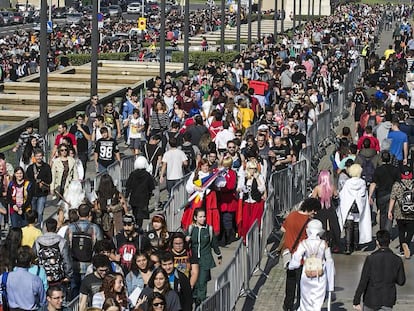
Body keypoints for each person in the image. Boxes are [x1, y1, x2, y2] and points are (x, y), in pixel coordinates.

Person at [281, 198, 321, 311]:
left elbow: (283, 229)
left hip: (290, 255)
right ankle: (299, 305)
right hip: (302, 258)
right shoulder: (309, 223)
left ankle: (287, 305)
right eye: (315, 210)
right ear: (311, 209)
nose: (316, 213)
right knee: (302, 284)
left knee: (290, 282)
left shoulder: (291, 215)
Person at [353, 230, 406, 311]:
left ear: (377, 242)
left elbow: (363, 280)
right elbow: (401, 281)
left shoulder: (371, 258)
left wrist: (356, 300)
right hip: (387, 299)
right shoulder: (397, 259)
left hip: (371, 298)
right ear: (389, 241)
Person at [288, 219, 335, 311]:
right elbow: (329, 261)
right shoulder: (323, 244)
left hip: (306, 274)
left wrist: (291, 266)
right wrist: (331, 278)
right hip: (320, 276)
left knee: (306, 298)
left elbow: (296, 259)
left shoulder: (303, 244)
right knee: (318, 300)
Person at [65, 204, 103, 299]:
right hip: (89, 266)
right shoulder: (94, 228)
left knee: (74, 292)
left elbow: (66, 247)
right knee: (87, 293)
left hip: (74, 265)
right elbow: (100, 247)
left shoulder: (70, 227)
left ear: (78, 213)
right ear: (89, 213)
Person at [186, 208, 222, 306]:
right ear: (195, 218)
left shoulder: (209, 229)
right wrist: (186, 240)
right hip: (193, 260)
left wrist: (218, 255)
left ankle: (200, 303)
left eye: (204, 216)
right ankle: (194, 300)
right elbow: (183, 245)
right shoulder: (191, 229)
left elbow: (214, 243)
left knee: (202, 282)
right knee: (195, 283)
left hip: (205, 259)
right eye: (200, 217)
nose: (203, 219)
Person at [337, 164, 372, 255]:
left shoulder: (348, 183)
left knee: (349, 227)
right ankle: (356, 245)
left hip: (349, 208)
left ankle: (348, 247)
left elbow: (343, 195)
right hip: (358, 207)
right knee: (357, 227)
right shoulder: (362, 183)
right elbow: (363, 196)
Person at [0, 246, 46, 310]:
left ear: (16, 261)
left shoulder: (5, 277)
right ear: (30, 263)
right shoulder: (35, 280)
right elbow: (42, 301)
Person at [182, 158, 220, 235]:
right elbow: (189, 186)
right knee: (196, 213)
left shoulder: (212, 175)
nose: (205, 167)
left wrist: (218, 175)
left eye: (207, 166)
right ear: (200, 166)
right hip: (197, 199)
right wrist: (195, 187)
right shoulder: (195, 174)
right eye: (203, 166)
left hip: (209, 199)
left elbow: (220, 184)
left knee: (208, 215)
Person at [34, 218, 73, 287]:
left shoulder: (38, 240)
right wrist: (68, 275)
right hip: (58, 278)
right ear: (56, 228)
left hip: (42, 276)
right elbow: (66, 259)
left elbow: (33, 257)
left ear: (46, 227)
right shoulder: (61, 241)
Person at [368, 150, 400, 232]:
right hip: (392, 194)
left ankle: (383, 232)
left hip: (381, 194)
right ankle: (388, 232)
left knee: (382, 214)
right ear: (390, 159)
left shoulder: (378, 170)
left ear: (381, 159)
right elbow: (398, 183)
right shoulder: (395, 169)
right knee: (390, 213)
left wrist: (370, 195)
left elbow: (373, 183)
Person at [388, 165, 414, 259]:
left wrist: (390, 211)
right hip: (412, 213)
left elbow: (392, 199)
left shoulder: (397, 184)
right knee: (411, 231)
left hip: (400, 212)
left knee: (401, 231)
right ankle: (407, 243)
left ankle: (403, 249)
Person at [312, 170, 341, 252]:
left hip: (320, 209)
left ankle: (320, 243)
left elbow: (313, 200)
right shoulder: (332, 187)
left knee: (321, 226)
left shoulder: (317, 188)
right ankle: (335, 245)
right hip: (330, 207)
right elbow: (336, 196)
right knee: (334, 226)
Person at [238, 159, 266, 240]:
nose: (253, 170)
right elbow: (239, 187)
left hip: (256, 203)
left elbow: (262, 189)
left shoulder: (259, 176)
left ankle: (254, 239)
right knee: (246, 223)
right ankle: (246, 239)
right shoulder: (244, 177)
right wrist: (241, 189)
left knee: (254, 222)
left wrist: (257, 179)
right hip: (247, 202)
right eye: (251, 168)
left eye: (254, 168)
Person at [125, 156, 155, 228]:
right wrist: (150, 194)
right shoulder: (147, 175)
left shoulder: (132, 174)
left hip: (134, 198)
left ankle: (135, 227)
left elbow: (128, 186)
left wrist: (126, 196)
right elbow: (151, 186)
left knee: (135, 214)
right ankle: (139, 228)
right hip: (143, 198)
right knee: (140, 217)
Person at [95, 174, 128, 238]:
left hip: (105, 220)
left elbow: (97, 208)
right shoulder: (116, 193)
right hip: (117, 218)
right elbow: (124, 204)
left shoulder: (98, 195)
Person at [26, 149, 52, 226]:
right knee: (33, 212)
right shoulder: (30, 168)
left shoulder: (46, 167)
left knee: (40, 212)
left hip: (42, 193)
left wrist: (42, 181)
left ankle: (39, 226)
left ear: (42, 156)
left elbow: (50, 179)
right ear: (34, 157)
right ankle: (33, 225)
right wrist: (34, 178)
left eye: (40, 156)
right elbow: (27, 180)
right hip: (33, 193)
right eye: (37, 156)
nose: (39, 158)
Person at [216, 156, 238, 246]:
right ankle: (223, 238)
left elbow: (231, 186)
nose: (226, 167)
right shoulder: (218, 172)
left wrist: (221, 188)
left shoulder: (232, 173)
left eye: (227, 165)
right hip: (220, 201)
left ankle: (228, 238)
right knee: (221, 221)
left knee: (227, 221)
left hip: (229, 201)